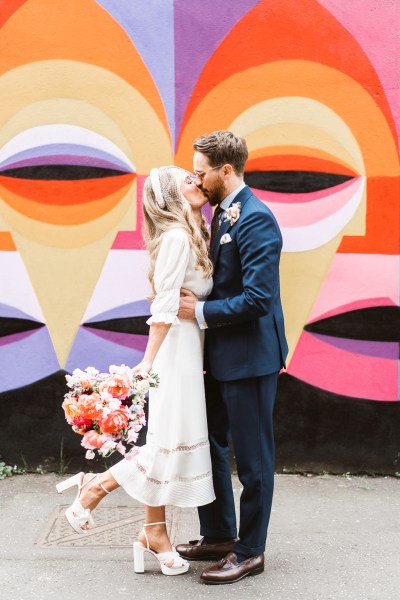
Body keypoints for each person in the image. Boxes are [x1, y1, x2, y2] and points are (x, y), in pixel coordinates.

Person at [56, 166, 215, 576]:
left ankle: (153, 531)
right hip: (173, 352)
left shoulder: (189, 232)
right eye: (187, 180)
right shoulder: (178, 238)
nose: (197, 182)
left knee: (166, 442)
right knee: (167, 445)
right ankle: (94, 489)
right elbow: (162, 308)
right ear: (171, 197)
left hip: (186, 349)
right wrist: (148, 363)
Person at [177, 130, 288, 585]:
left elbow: (258, 298)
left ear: (227, 170)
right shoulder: (220, 212)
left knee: (254, 459)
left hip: (250, 358)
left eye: (201, 171)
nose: (195, 178)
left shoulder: (257, 219)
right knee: (212, 445)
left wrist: (198, 311)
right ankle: (219, 534)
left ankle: (250, 551)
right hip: (219, 354)